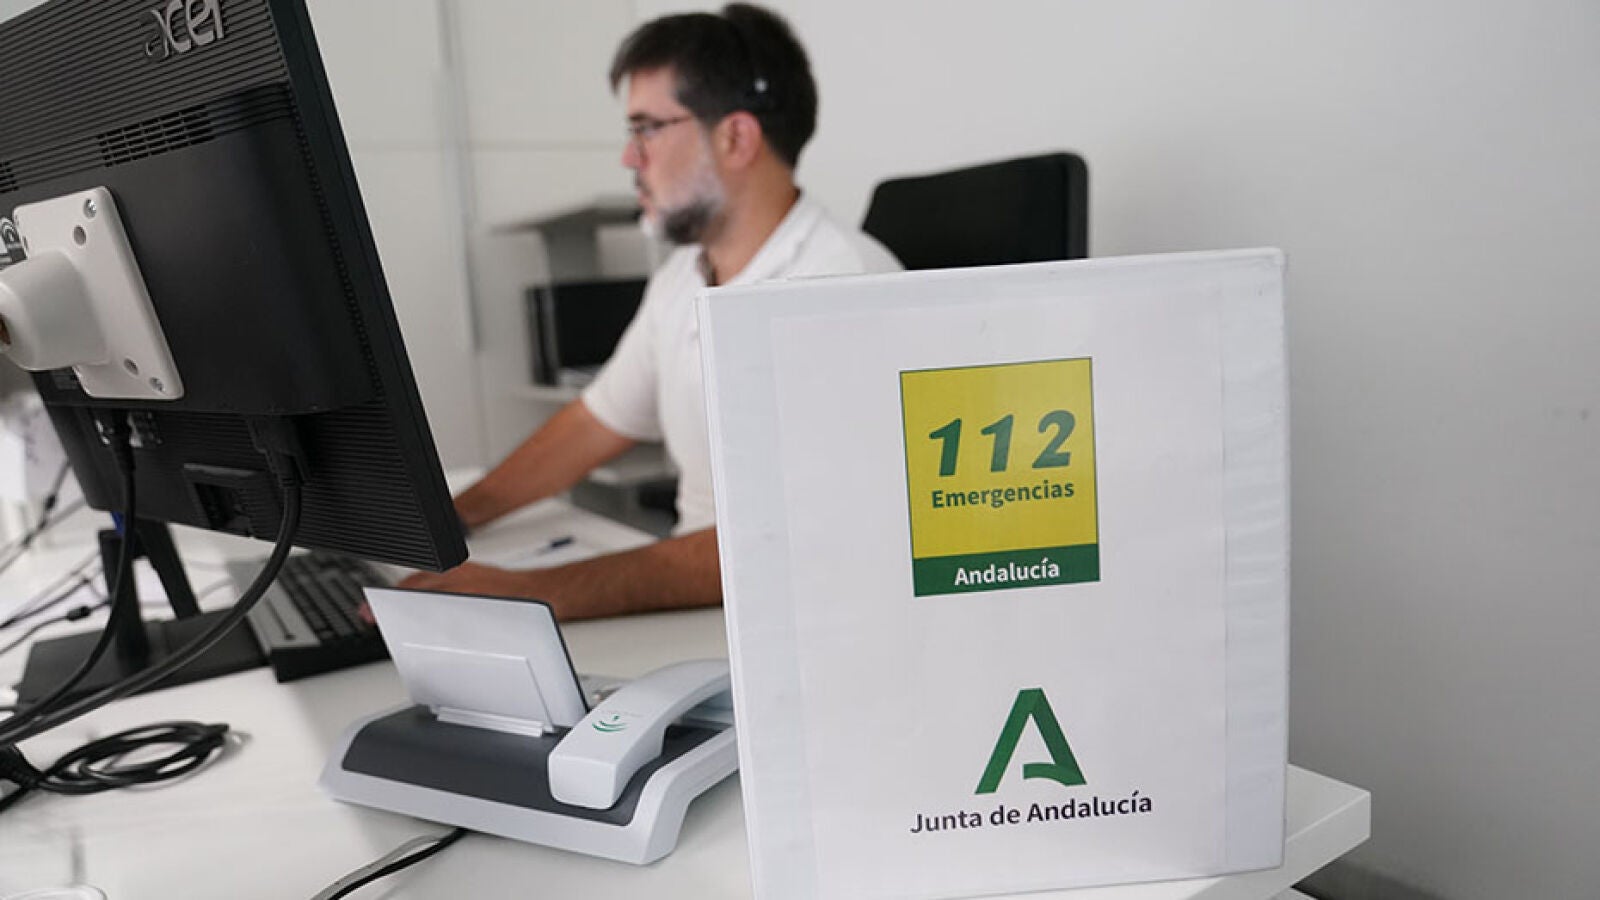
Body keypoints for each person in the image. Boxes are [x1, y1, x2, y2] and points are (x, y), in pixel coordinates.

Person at [398, 4, 900, 619]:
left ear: (736, 138)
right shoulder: (683, 276)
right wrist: (452, 518)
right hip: (714, 607)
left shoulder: (844, 286)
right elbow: (596, 422)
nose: (629, 159)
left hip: (798, 617)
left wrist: (536, 592)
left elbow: (799, 544)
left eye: (646, 129)